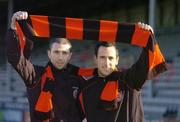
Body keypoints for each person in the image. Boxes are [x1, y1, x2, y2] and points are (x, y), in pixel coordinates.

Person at [6, 11, 90, 122]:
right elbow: (15, 59)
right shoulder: (35, 75)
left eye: (64, 53)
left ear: (70, 56)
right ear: (49, 54)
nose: (60, 57)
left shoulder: (79, 80)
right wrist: (13, 28)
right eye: (56, 52)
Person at [78, 26, 167, 121]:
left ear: (117, 60)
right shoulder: (86, 89)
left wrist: (148, 38)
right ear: (96, 59)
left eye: (110, 58)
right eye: (102, 58)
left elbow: (145, 63)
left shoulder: (129, 80)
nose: (107, 63)